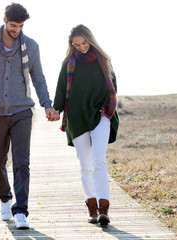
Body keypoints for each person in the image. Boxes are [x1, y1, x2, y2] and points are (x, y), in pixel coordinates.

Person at [0, 3, 59, 229]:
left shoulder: (31, 46)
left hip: (22, 110)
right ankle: (5, 198)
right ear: (4, 20)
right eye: (13, 25)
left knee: (22, 162)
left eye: (20, 26)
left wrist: (47, 105)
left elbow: (38, 78)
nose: (17, 30)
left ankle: (21, 210)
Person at [53, 24, 119, 226]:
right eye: (76, 44)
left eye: (84, 42)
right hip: (77, 117)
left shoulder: (103, 61)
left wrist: (107, 109)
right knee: (85, 165)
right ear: (72, 45)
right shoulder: (69, 64)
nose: (81, 47)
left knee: (99, 160)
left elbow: (113, 89)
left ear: (90, 40)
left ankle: (103, 210)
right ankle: (92, 208)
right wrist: (55, 109)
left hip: (101, 116)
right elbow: (61, 89)